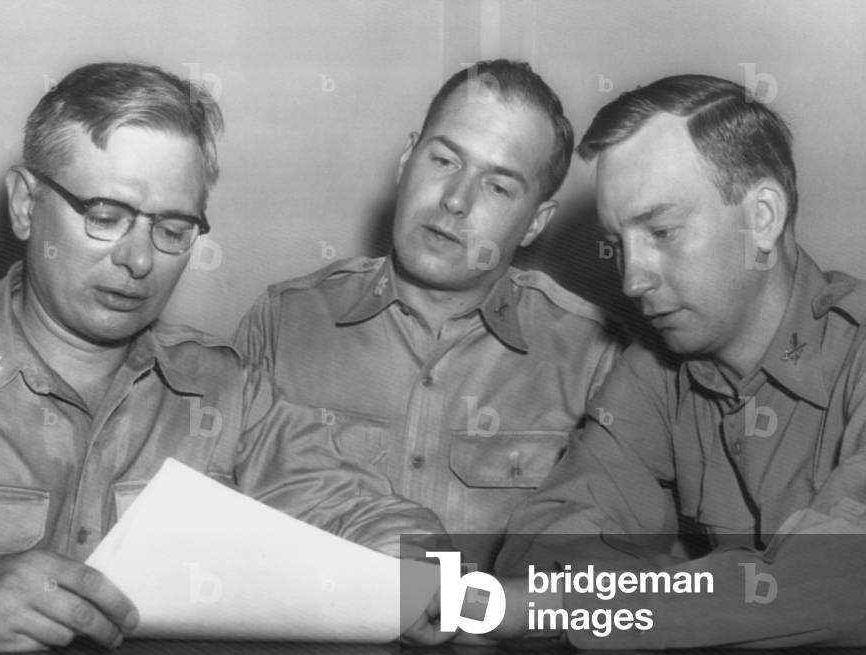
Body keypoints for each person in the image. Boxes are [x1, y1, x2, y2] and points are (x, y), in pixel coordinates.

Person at [0, 62, 442, 652]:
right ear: (26, 205)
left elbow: (368, 516)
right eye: (105, 217)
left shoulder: (227, 391)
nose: (138, 260)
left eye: (173, 230)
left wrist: (411, 572)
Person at [490, 74, 866, 648]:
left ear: (762, 218)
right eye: (619, 243)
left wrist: (586, 603)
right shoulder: (657, 371)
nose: (631, 278)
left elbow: (845, 584)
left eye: (662, 231)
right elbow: (547, 540)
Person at [235, 60, 618, 570]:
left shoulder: (593, 357)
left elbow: (619, 570)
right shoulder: (283, 322)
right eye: (443, 161)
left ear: (535, 223)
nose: (456, 200)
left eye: (499, 186)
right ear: (405, 161)